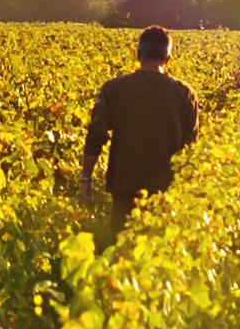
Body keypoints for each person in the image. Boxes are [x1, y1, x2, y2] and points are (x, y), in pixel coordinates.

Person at [80, 23, 198, 215]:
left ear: (138, 54)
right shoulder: (185, 93)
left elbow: (96, 135)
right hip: (167, 189)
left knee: (120, 232)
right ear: (167, 59)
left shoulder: (113, 88)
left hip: (124, 185)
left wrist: (86, 177)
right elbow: (191, 145)